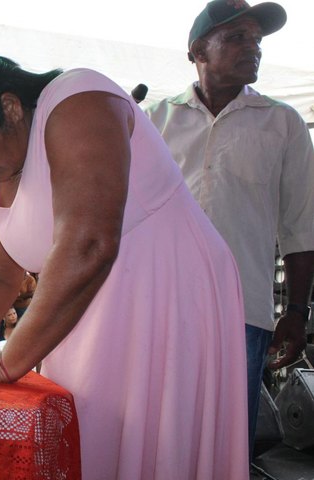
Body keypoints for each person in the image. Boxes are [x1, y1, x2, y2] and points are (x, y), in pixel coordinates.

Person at [0, 50, 248, 479]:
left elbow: (90, 243)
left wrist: (4, 361)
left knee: (155, 451)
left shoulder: (77, 98)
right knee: (90, 449)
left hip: (165, 299)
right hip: (80, 312)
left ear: (11, 108)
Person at [145, 0, 314, 459]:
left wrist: (296, 311)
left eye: (257, 40)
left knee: (225, 440)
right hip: (159, 304)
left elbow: (301, 227)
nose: (253, 49)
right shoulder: (153, 121)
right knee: (155, 429)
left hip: (241, 310)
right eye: (237, 37)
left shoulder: (283, 124)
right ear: (198, 50)